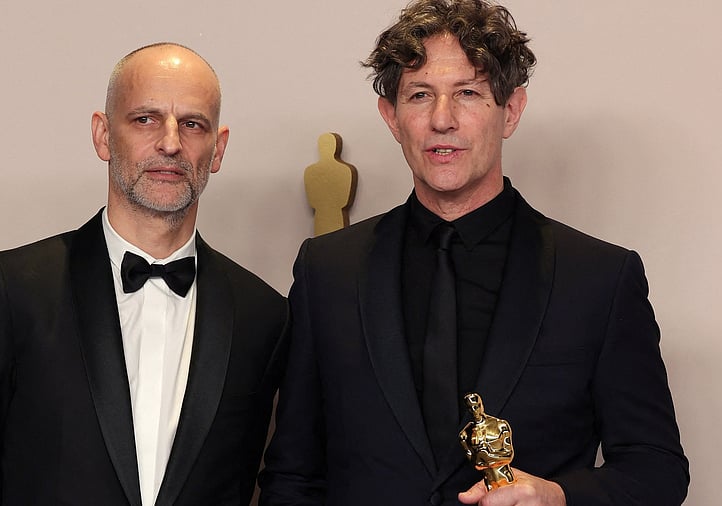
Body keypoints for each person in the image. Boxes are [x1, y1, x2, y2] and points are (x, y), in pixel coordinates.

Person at [258, 1, 688, 505]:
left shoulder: (599, 279)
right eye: (420, 95)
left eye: (468, 93)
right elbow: (292, 475)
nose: (442, 120)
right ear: (391, 116)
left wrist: (557, 496)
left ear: (512, 110)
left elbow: (656, 469)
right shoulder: (327, 270)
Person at [0, 43, 289, 506]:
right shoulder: (12, 290)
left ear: (217, 149)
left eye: (192, 124)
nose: (170, 143)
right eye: (145, 119)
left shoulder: (264, 315)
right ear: (103, 135)